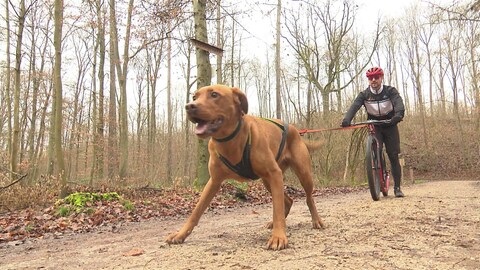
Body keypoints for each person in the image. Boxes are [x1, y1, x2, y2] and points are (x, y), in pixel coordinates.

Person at [341, 67, 405, 197]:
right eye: (371, 78)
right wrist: (347, 120)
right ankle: (377, 170)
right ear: (368, 80)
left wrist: (398, 115)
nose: (374, 80)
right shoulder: (364, 95)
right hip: (375, 125)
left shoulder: (390, 91)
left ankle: (397, 188)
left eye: (376, 77)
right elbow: (354, 106)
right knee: (376, 148)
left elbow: (399, 103)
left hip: (390, 124)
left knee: (393, 155)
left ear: (381, 78)